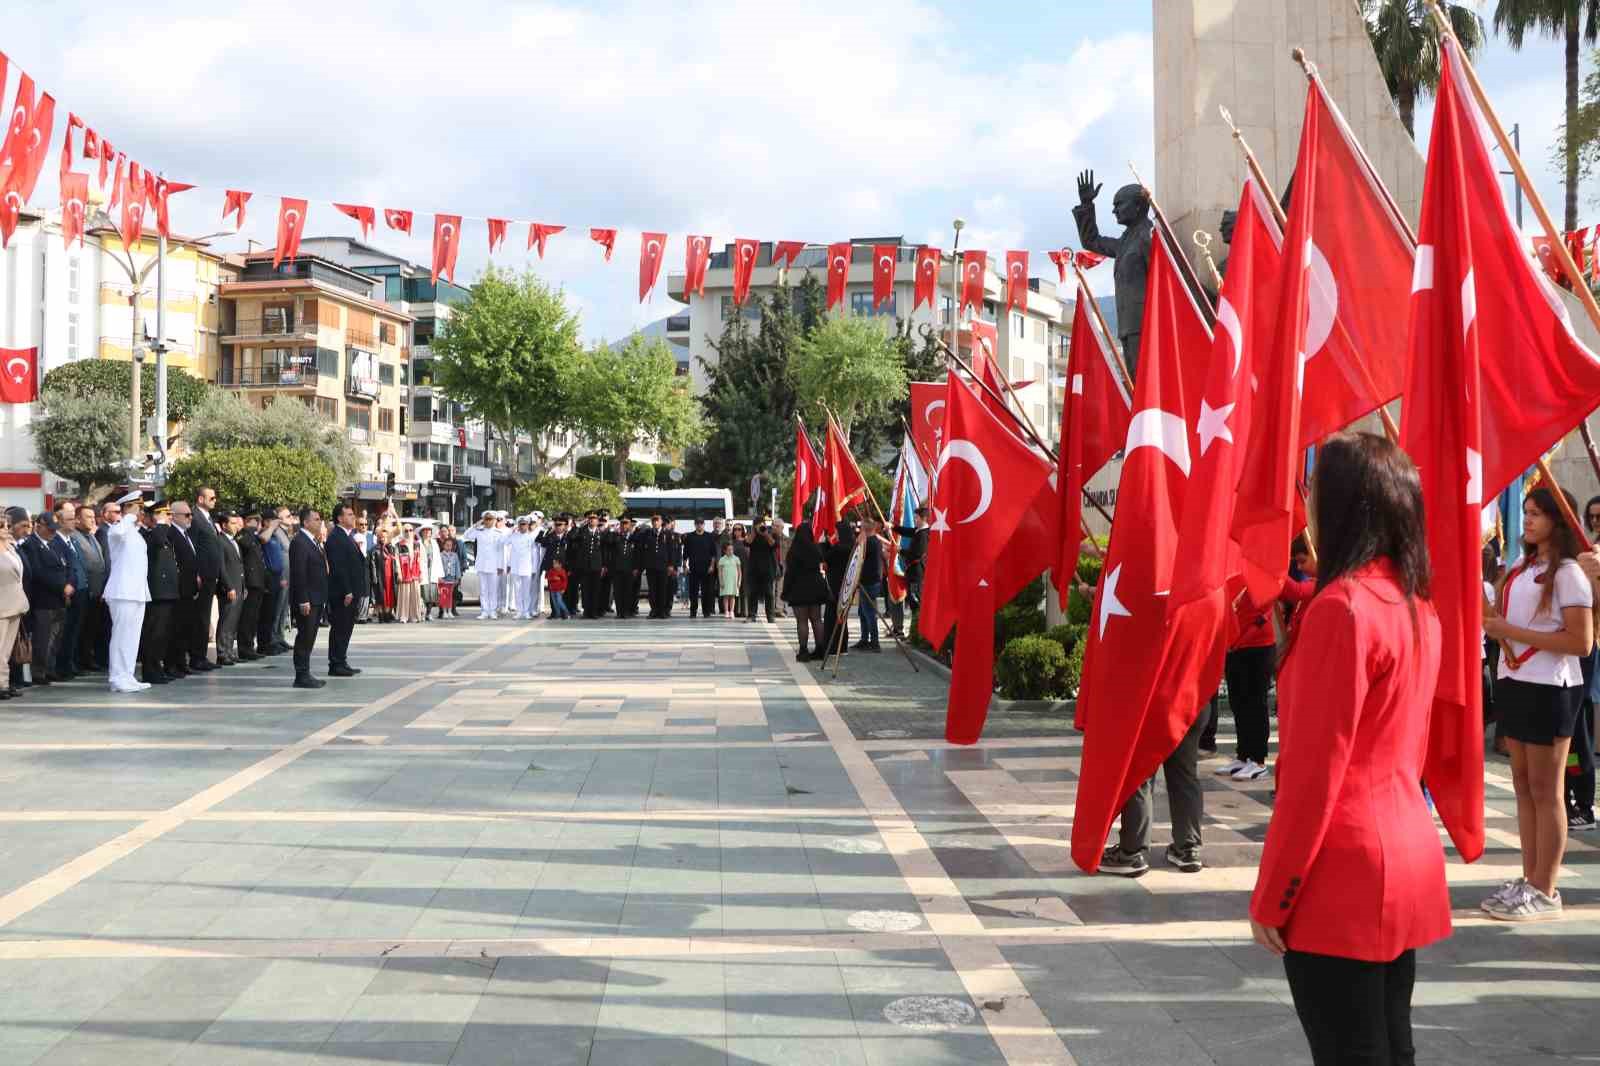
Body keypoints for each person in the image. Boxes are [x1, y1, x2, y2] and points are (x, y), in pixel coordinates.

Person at [1248, 432, 1449, 1066]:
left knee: (1352, 1051)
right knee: (1390, 1045)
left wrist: (1274, 893)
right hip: (1403, 847)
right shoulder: (1416, 604)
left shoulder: (1344, 608)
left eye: (1313, 489)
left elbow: (1313, 775)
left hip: (1343, 869)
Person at [1481, 484, 1594, 920]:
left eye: (1537, 513)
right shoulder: (1523, 567)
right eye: (1525, 512)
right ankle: (1529, 880)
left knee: (1548, 792)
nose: (1527, 520)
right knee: (1524, 787)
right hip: (1517, 682)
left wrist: (1510, 630)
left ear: (1557, 520)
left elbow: (1581, 641)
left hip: (1552, 688)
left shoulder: (1568, 572)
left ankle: (1546, 887)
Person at [101, 492, 149, 692]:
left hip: (137, 592)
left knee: (132, 637)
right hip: (122, 592)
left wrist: (132, 520)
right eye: (137, 508)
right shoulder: (117, 529)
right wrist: (128, 516)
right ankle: (117, 677)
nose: (141, 512)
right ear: (129, 508)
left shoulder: (135, 531)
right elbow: (119, 532)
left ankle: (127, 675)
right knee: (121, 636)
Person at [20, 512, 72, 685]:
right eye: (49, 529)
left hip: (61, 599)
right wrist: (62, 586)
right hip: (44, 600)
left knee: (55, 637)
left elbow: (70, 564)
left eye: (54, 529)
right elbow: (38, 572)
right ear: (39, 526)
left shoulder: (56, 543)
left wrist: (71, 583)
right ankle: (39, 672)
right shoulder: (31, 545)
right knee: (42, 638)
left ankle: (50, 668)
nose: (52, 533)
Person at [139, 504, 181, 684]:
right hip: (157, 591)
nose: (170, 518)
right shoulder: (148, 534)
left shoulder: (163, 533)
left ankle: (158, 667)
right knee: (154, 633)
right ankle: (150, 670)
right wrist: (161, 524)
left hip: (168, 591)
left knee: (163, 634)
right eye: (166, 514)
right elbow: (156, 541)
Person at [324, 502, 367, 677]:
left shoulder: (347, 535)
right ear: (340, 518)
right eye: (349, 514)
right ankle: (336, 663)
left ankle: (341, 660)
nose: (353, 517)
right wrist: (347, 590)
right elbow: (338, 567)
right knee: (340, 627)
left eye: (352, 514)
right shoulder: (336, 537)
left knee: (346, 627)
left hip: (352, 590)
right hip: (343, 593)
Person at [288, 507, 329, 688]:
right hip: (308, 599)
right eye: (316, 519)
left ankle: (305, 672)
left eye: (320, 519)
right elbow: (299, 573)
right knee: (305, 636)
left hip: (317, 597)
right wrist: (303, 599)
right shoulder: (300, 542)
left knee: (310, 636)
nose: (320, 522)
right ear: (306, 522)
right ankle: (301, 674)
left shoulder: (313, 541)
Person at [187, 487, 225, 672]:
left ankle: (201, 655)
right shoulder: (194, 517)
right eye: (211, 497)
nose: (214, 500)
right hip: (202, 575)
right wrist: (196, 573)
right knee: (199, 618)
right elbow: (193, 547)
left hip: (211, 575)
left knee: (204, 617)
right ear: (200, 498)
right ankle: (196, 657)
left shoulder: (209, 519)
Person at [782, 522, 830, 662]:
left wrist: (786, 590)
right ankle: (820, 649)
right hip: (815, 586)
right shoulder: (815, 548)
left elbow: (789, 573)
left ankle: (803, 651)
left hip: (799, 587)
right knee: (816, 619)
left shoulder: (793, 551)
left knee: (802, 621)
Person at [69, 503, 107, 674]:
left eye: (93, 517)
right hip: (84, 590)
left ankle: (86, 658)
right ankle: (78, 660)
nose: (92, 520)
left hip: (97, 591)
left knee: (91, 628)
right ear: (77, 520)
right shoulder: (75, 537)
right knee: (80, 629)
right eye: (88, 517)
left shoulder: (91, 536)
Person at [0, 517, 28, 700]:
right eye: (1, 526)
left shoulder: (10, 547)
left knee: (7, 650)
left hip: (15, 604)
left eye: (7, 526)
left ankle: (4, 683)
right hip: (1, 605)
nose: (5, 529)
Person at [214, 510, 246, 665]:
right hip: (229, 588)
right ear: (224, 525)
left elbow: (239, 566)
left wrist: (242, 586)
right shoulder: (220, 541)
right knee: (226, 620)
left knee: (233, 621)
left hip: (238, 586)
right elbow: (221, 567)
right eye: (232, 523)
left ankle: (229, 650)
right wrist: (228, 587)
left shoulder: (234, 541)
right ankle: (222, 652)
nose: (235, 526)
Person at [235, 513, 268, 661]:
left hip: (258, 581)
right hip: (251, 581)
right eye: (257, 521)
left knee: (253, 617)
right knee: (247, 618)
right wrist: (250, 528)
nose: (259, 524)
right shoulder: (244, 534)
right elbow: (246, 544)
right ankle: (244, 648)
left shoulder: (254, 536)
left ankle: (249, 646)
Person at [854, 520, 885, 652]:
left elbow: (859, 558)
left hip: (869, 581)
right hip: (869, 580)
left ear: (865, 530)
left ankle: (874, 642)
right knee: (863, 612)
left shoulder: (870, 543)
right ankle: (864, 639)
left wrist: (858, 542)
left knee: (869, 613)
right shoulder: (875, 541)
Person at [683, 518, 718, 618]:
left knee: (706, 591)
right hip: (693, 568)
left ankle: (706, 612)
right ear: (695, 525)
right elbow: (685, 554)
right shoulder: (690, 537)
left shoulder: (709, 536)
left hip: (707, 568)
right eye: (697, 523)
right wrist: (685, 566)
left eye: (701, 523)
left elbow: (713, 554)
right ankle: (693, 612)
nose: (699, 525)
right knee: (693, 592)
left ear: (704, 524)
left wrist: (712, 566)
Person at [610, 517, 641, 618]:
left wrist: (636, 567)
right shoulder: (616, 537)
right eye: (622, 524)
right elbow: (610, 546)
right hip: (617, 568)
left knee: (628, 591)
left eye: (626, 524)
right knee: (618, 592)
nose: (624, 526)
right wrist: (614, 530)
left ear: (629, 525)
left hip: (629, 569)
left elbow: (637, 554)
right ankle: (619, 612)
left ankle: (627, 612)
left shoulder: (634, 538)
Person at [509, 517, 539, 620]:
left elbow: (534, 554)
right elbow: (503, 542)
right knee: (517, 591)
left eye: (524, 524)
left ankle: (526, 611)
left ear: (527, 525)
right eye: (521, 524)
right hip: (516, 567)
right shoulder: (513, 536)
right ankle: (519, 611)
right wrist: (510, 531)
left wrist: (534, 569)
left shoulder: (531, 537)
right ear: (518, 525)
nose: (523, 526)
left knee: (526, 591)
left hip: (527, 567)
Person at [369, 528, 397, 622]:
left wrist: (396, 574)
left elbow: (395, 562)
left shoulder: (391, 548)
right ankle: (381, 615)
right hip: (380, 575)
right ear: (378, 538)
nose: (383, 539)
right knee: (380, 596)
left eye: (385, 537)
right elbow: (372, 565)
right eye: (381, 537)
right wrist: (374, 577)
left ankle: (388, 614)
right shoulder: (375, 549)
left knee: (389, 595)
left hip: (390, 576)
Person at [438, 534, 462, 619]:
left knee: (450, 596)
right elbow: (438, 566)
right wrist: (439, 577)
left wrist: (458, 578)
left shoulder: (455, 555)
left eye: (450, 545)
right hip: (444, 578)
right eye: (447, 545)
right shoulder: (440, 555)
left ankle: (450, 611)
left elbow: (457, 567)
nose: (448, 547)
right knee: (444, 595)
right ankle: (444, 611)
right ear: (443, 545)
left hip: (451, 577)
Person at [716, 541, 741, 619]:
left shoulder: (736, 558)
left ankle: (732, 611)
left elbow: (739, 571)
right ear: (725, 551)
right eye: (728, 550)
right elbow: (719, 572)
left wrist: (739, 581)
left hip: (734, 580)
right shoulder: (722, 559)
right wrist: (721, 581)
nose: (730, 551)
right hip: (725, 580)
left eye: (732, 549)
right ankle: (726, 611)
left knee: (732, 596)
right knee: (726, 596)